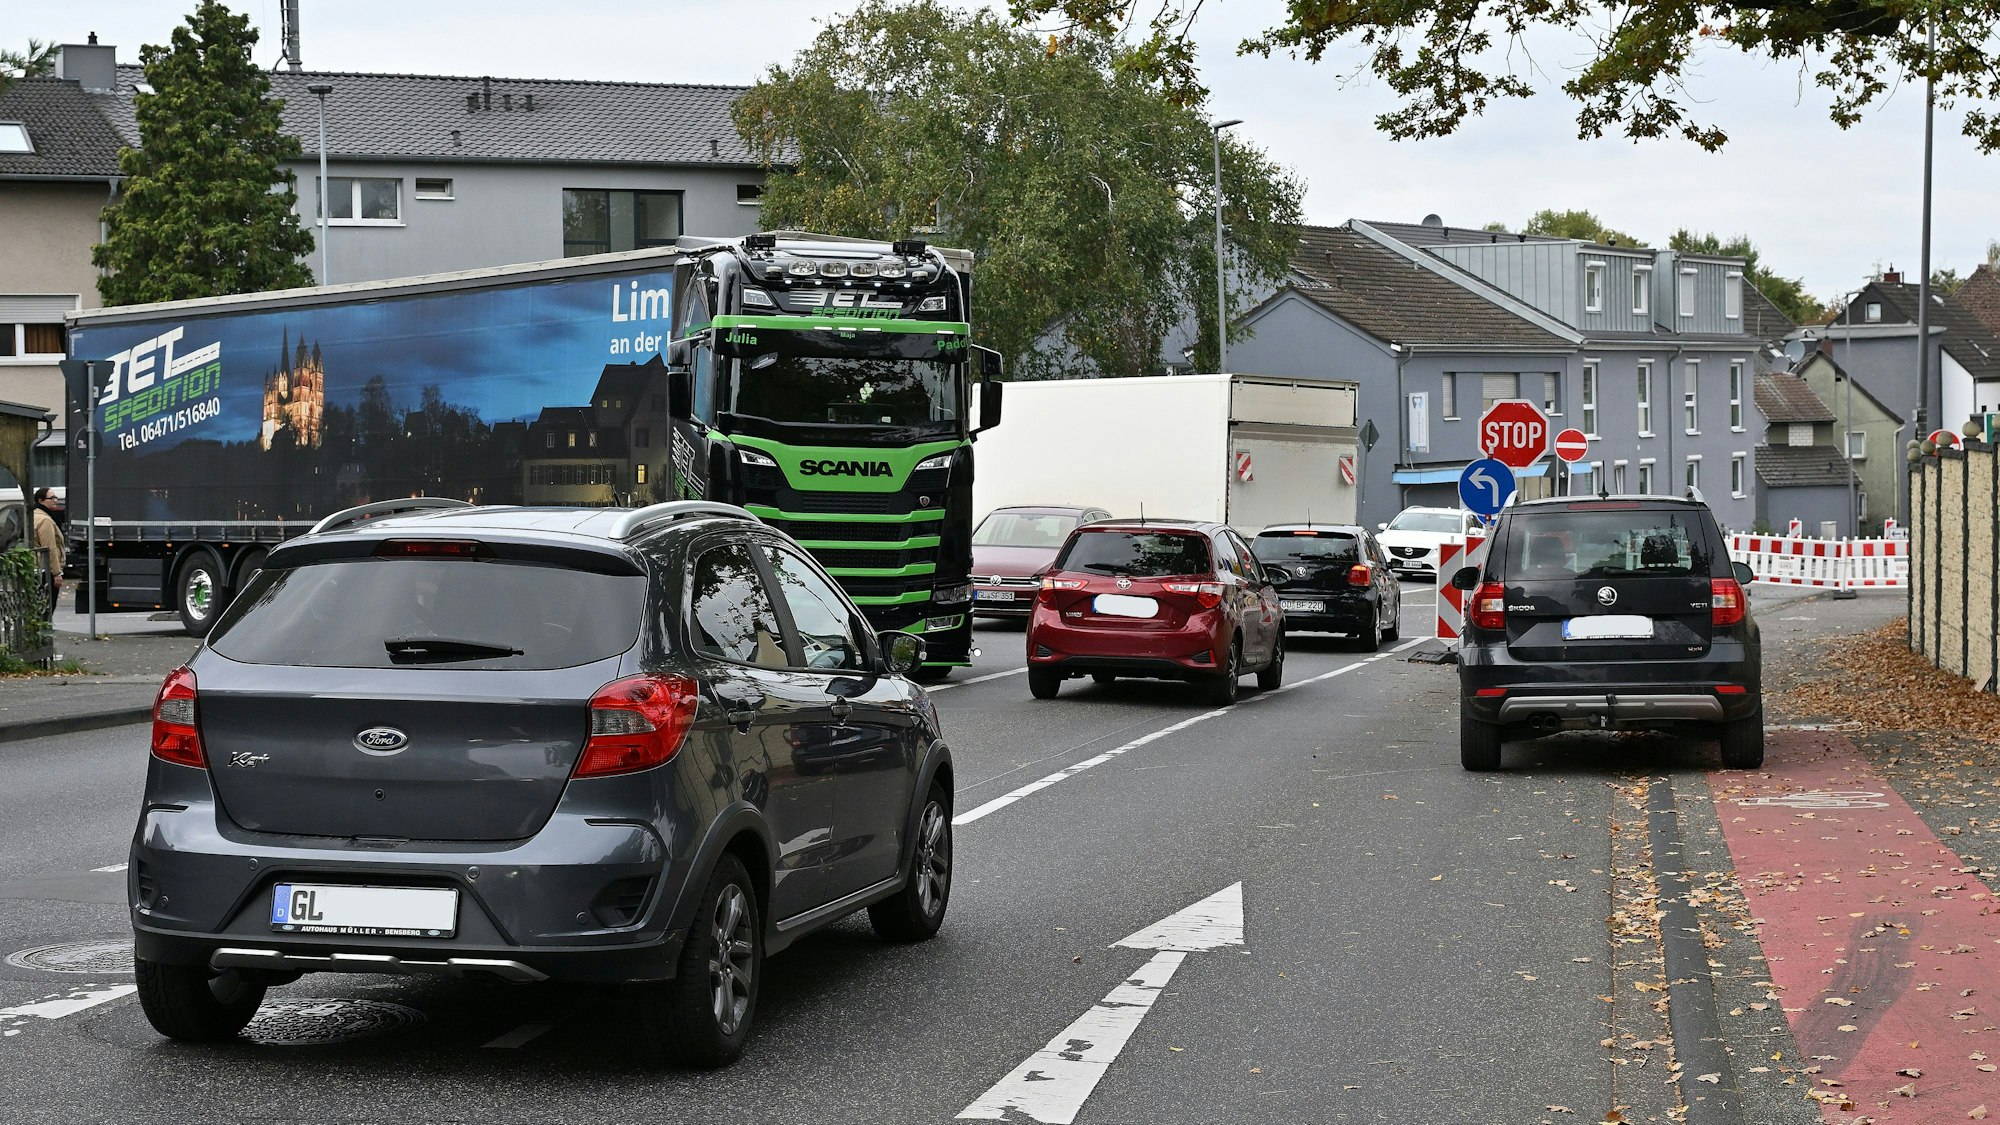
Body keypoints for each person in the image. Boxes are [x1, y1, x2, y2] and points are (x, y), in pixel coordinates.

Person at [31, 487, 65, 612]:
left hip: (36, 568)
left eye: (55, 497)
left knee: (38, 606)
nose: (55, 500)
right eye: (51, 498)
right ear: (40, 500)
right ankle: (43, 629)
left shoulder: (33, 515)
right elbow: (49, 548)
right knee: (47, 607)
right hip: (46, 571)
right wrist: (57, 573)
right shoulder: (45, 520)